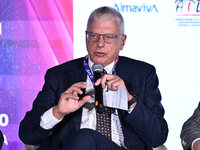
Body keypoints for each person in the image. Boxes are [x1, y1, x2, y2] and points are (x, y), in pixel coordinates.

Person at [19, 6, 168, 150]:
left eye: (109, 37)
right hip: (73, 146)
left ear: (122, 41)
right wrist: (58, 112)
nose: (100, 44)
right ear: (86, 37)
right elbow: (27, 135)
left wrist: (130, 100)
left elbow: (158, 137)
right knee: (84, 138)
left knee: (87, 137)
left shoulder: (142, 74)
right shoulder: (59, 75)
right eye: (93, 36)